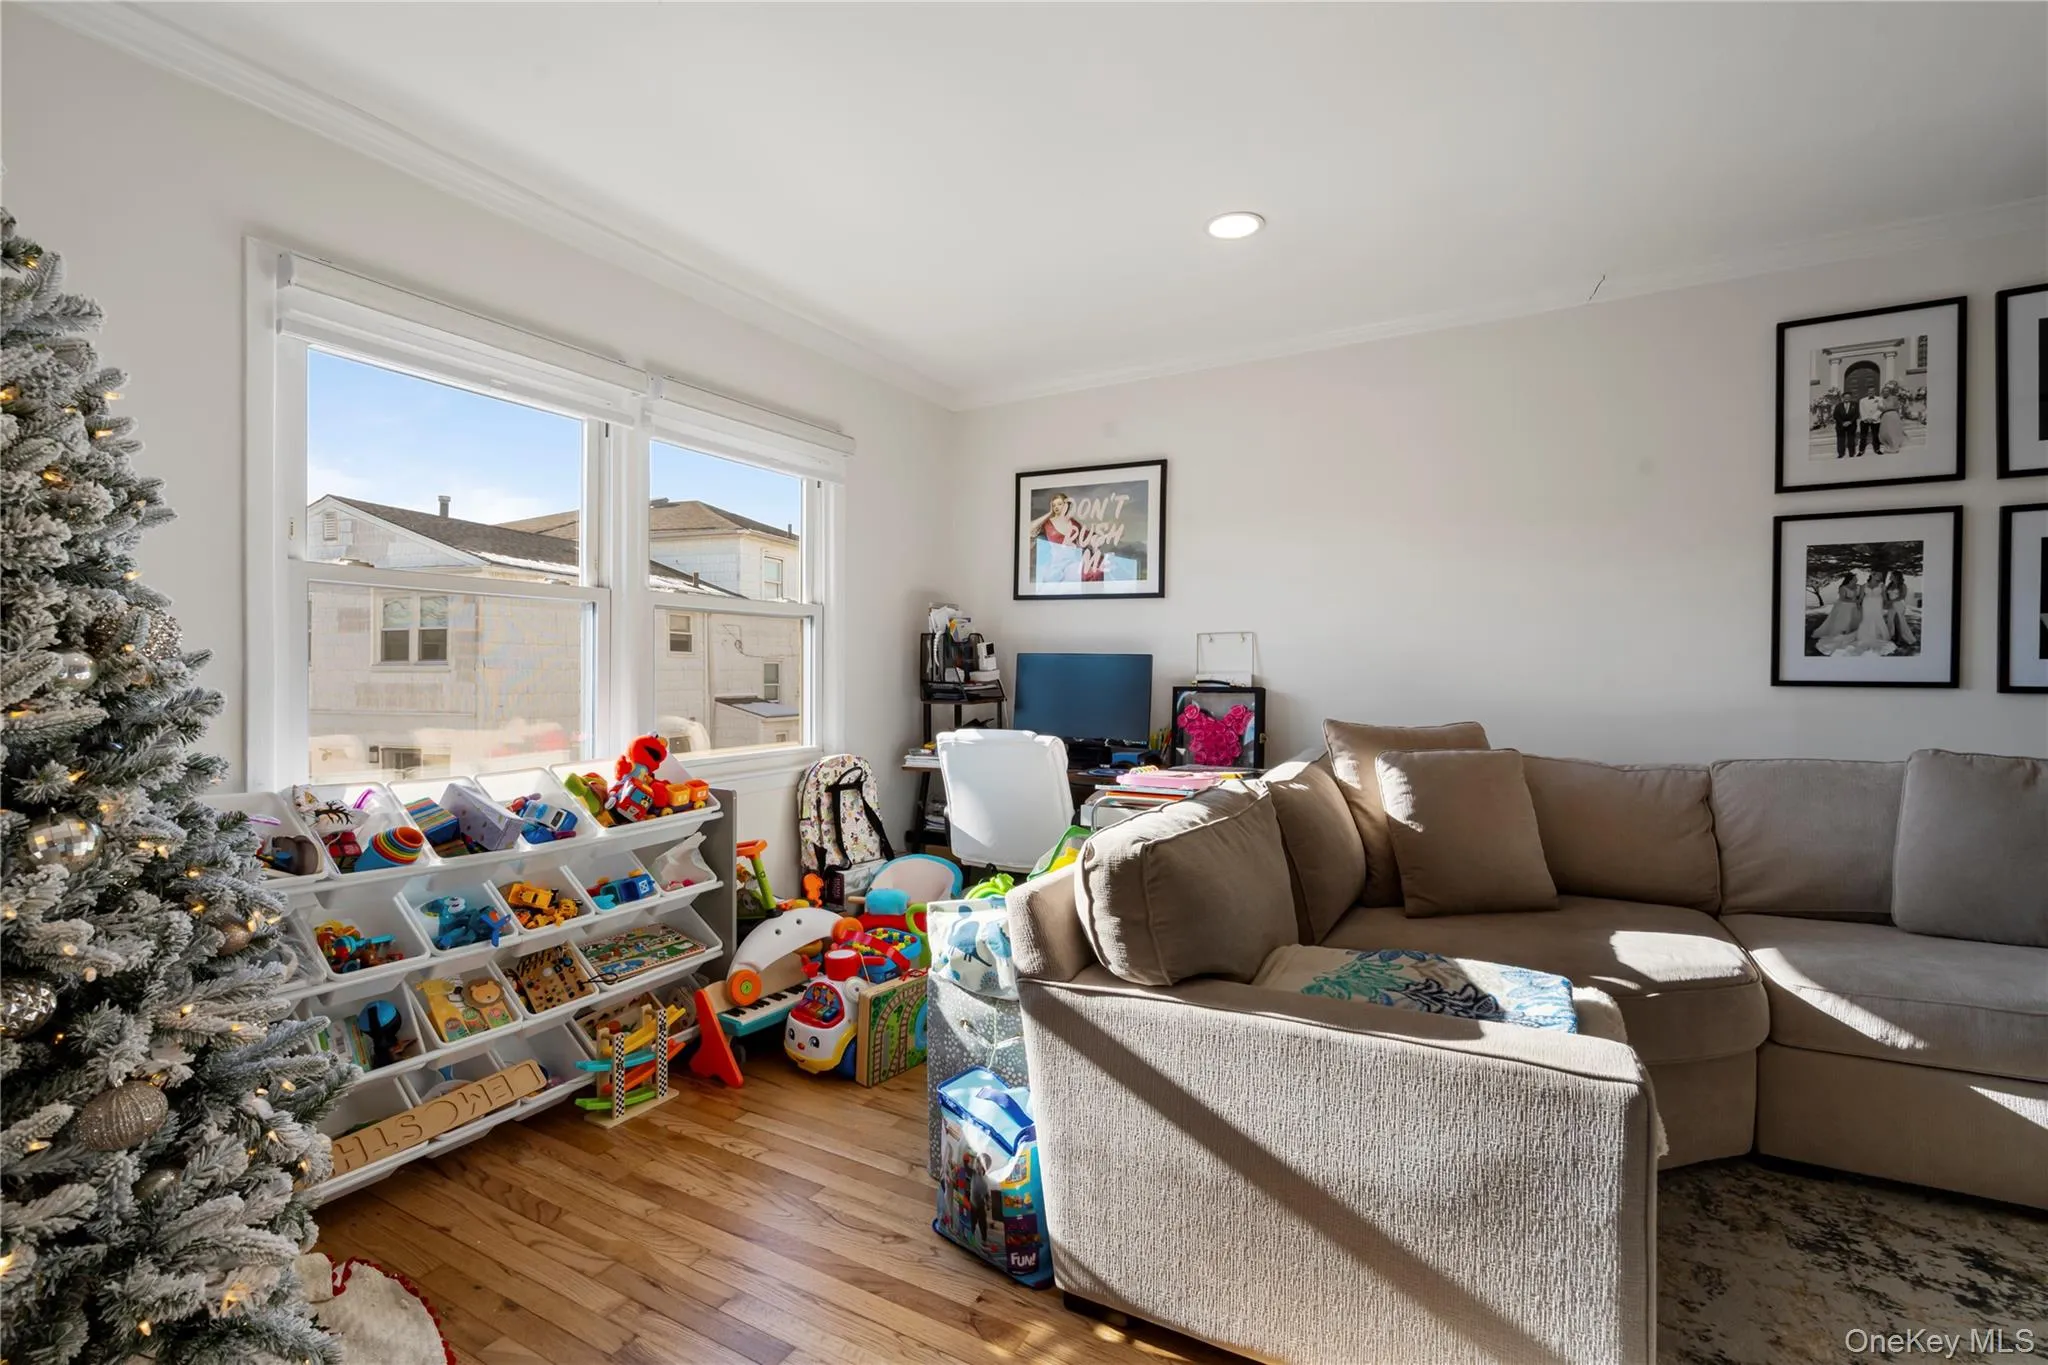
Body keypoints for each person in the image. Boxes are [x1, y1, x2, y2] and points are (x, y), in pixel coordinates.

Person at [1027, 491, 1102, 583]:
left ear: (1066, 505)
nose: (1056, 507)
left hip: (1073, 562)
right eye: (1054, 505)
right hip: (1057, 564)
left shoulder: (1073, 522)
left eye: (1059, 504)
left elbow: (1087, 536)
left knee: (1094, 573)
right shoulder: (1048, 523)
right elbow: (1029, 529)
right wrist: (1049, 513)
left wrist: (1097, 539)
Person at [1811, 571, 1862, 642]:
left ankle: (1851, 633)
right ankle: (1842, 633)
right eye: (1855, 578)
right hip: (1844, 606)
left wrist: (1858, 602)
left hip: (1853, 606)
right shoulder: (1843, 588)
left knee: (1853, 620)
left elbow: (1859, 595)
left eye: (1856, 578)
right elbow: (1842, 598)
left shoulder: (1857, 586)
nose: (1856, 579)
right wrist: (1854, 601)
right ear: (1850, 579)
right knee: (1844, 620)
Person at [1885, 571, 1918, 648]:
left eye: (1892, 575)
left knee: (1899, 621)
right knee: (1890, 621)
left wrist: (1891, 601)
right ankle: (1893, 636)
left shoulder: (1903, 585)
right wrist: (1887, 602)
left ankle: (1901, 639)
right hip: (1891, 605)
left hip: (1899, 604)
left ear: (1896, 576)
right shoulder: (1890, 585)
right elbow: (1886, 595)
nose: (1890, 576)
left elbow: (1902, 596)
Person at [1877, 383, 1907, 454]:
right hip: (1885, 416)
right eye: (1884, 391)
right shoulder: (1880, 400)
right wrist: (1883, 409)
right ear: (1882, 392)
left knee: (1893, 431)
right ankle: (1888, 445)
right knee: (1886, 432)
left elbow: (1897, 407)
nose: (1885, 392)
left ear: (1889, 392)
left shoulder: (1894, 398)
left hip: (1893, 415)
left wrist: (1886, 408)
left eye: (1887, 391)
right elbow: (1878, 408)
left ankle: (1894, 447)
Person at [1831, 391, 1861, 458]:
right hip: (1840, 425)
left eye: (1848, 397)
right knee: (1840, 440)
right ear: (1843, 398)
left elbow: (1857, 414)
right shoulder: (1838, 405)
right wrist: (1842, 422)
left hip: (1851, 425)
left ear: (1851, 397)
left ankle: (1851, 453)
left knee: (1851, 439)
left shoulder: (1855, 404)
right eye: (1845, 397)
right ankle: (1841, 454)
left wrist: (1850, 422)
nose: (1847, 398)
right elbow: (1835, 415)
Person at [1858, 390, 1884, 456]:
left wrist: (1873, 418)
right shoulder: (1862, 400)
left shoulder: (1879, 399)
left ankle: (1877, 449)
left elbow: (1880, 409)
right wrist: (1866, 418)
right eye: (1869, 391)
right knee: (1863, 436)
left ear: (1874, 392)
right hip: (1865, 420)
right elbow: (1861, 410)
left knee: (1875, 435)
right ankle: (1861, 450)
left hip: (1875, 420)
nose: (1871, 393)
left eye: (1872, 391)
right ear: (1867, 392)